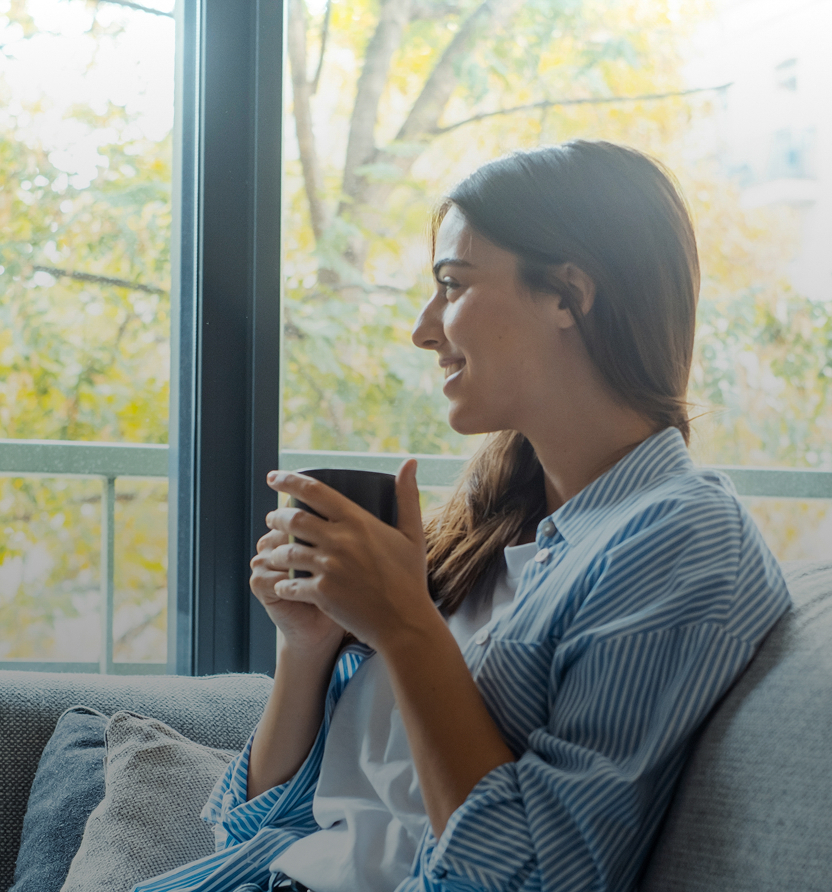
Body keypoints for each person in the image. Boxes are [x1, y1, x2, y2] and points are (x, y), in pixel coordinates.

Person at [134, 140, 790, 892]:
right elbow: (252, 829)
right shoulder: (493, 531)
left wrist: (404, 623)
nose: (423, 328)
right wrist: (308, 650)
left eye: (453, 285)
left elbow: (529, 878)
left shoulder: (682, 537)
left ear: (568, 295)